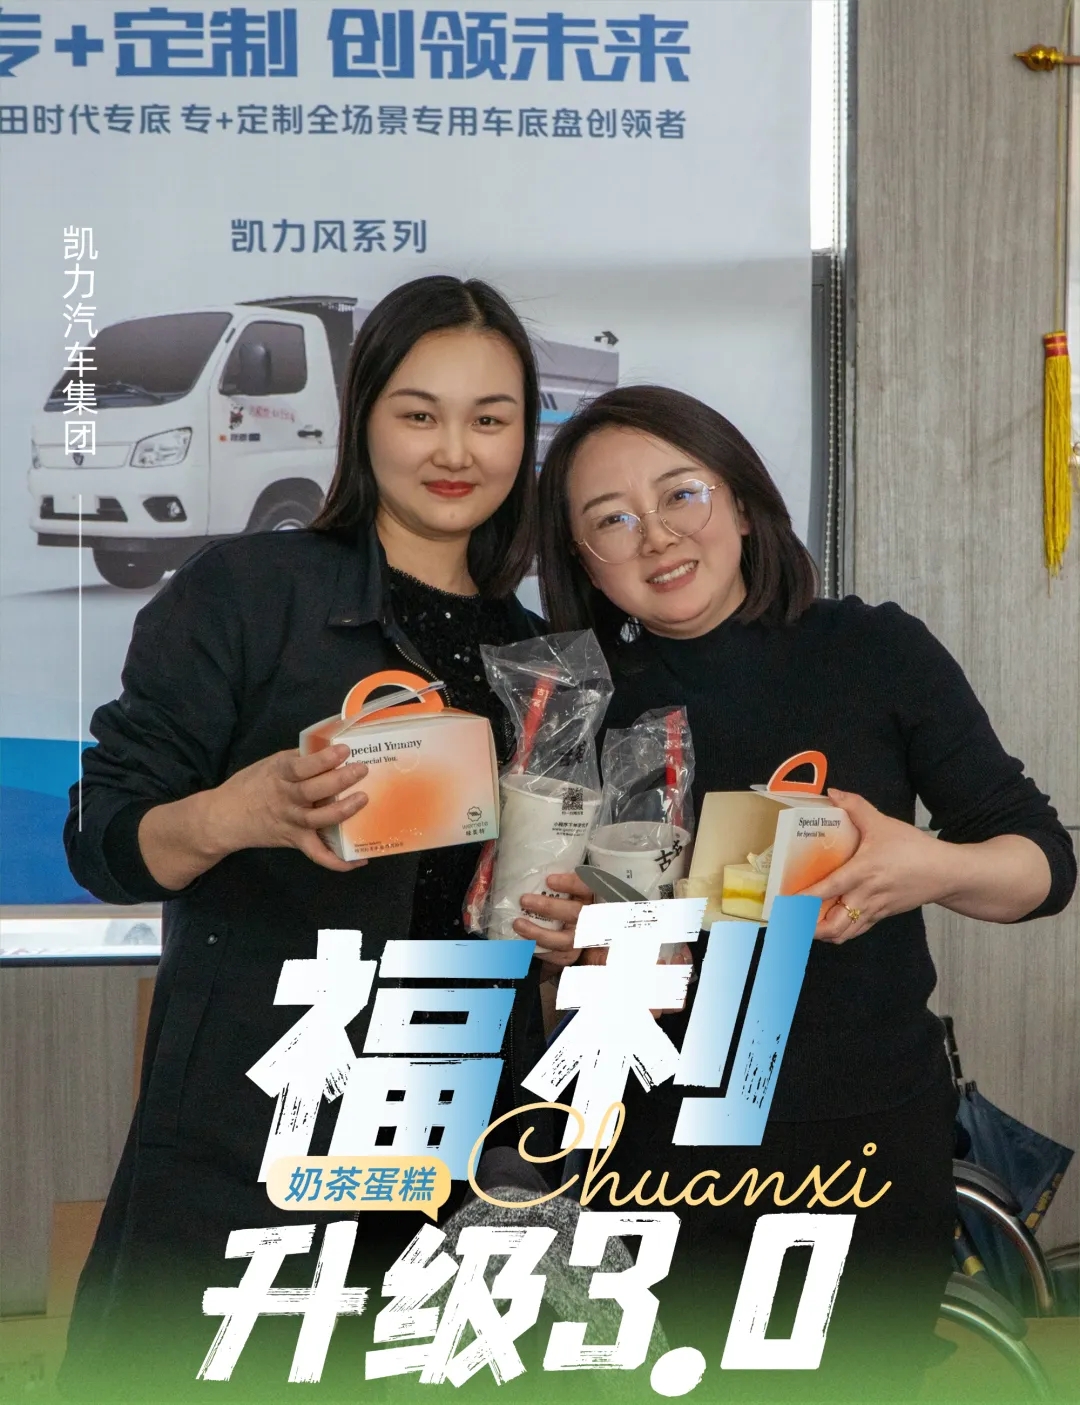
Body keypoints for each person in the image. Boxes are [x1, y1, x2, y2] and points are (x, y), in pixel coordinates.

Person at [58, 276, 582, 1403]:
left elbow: (524, 909)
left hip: (463, 1121)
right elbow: (102, 839)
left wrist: (569, 922)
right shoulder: (252, 593)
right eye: (419, 412)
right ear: (362, 419)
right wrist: (239, 812)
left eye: (490, 418)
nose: (456, 450)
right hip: (265, 1119)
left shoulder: (541, 658)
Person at [535, 385, 1076, 1403]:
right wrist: (556, 935)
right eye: (611, 518)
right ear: (582, 558)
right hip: (650, 1146)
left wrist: (928, 864)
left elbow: (1043, 867)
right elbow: (531, 928)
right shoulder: (571, 701)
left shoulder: (871, 650)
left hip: (861, 1136)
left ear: (741, 503)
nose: (657, 536)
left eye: (682, 494)